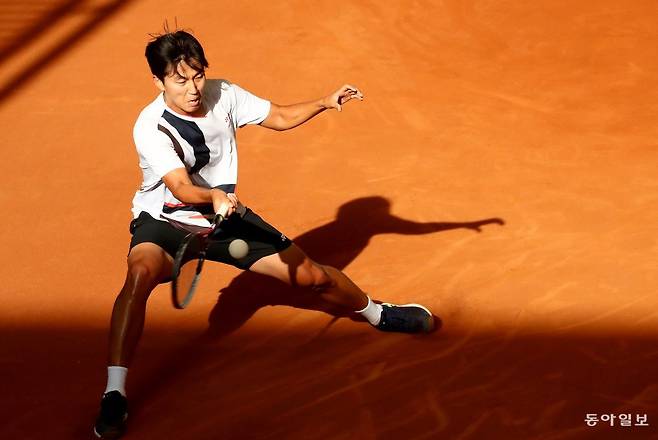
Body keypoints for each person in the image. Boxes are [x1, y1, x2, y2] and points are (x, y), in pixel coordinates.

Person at [93, 29, 434, 439]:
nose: (193, 88)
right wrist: (214, 194)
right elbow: (181, 187)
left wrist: (325, 102)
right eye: (180, 80)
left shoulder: (224, 94)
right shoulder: (150, 127)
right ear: (159, 82)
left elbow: (278, 116)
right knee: (140, 274)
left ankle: (378, 314)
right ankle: (115, 394)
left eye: (197, 75)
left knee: (313, 277)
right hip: (166, 221)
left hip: (225, 219)